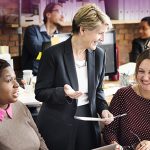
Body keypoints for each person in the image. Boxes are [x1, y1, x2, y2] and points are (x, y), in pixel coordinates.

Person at [35, 3, 114, 150]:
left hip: (88, 123)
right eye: (100, 33)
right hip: (58, 125)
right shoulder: (52, 54)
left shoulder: (99, 55)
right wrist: (63, 92)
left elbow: (98, 90)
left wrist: (103, 109)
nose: (103, 39)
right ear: (83, 29)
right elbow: (40, 92)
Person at [103, 49, 150, 150]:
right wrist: (114, 144)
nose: (145, 78)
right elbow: (109, 131)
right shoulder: (123, 95)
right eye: (141, 71)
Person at [0, 59, 48, 150]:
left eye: (15, 78)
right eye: (9, 80)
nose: (17, 84)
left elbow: (39, 138)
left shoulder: (20, 106)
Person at [22, 2, 64, 75]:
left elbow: (60, 56)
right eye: (58, 11)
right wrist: (56, 49)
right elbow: (37, 51)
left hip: (52, 74)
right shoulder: (32, 30)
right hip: (33, 76)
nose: (62, 16)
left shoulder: (59, 35)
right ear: (48, 14)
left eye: (63, 12)